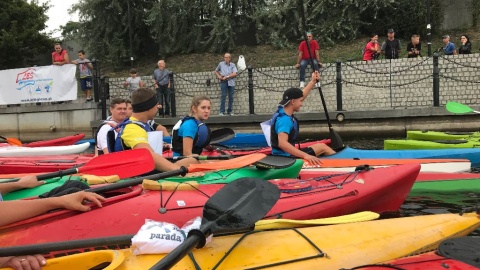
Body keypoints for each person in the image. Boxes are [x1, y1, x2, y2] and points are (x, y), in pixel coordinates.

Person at [108, 88, 196, 171]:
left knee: (193, 159)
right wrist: (180, 171)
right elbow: (148, 155)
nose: (157, 107)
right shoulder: (132, 128)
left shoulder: (142, 124)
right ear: (149, 107)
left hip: (146, 168)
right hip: (137, 174)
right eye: (156, 105)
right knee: (193, 161)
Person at [269, 71, 335, 166]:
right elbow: (282, 143)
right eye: (300, 101)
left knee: (322, 146)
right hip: (285, 159)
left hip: (284, 155)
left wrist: (312, 82)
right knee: (323, 147)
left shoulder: (283, 109)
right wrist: (306, 156)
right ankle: (345, 165)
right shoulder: (284, 120)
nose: (302, 103)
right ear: (292, 102)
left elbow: (300, 96)